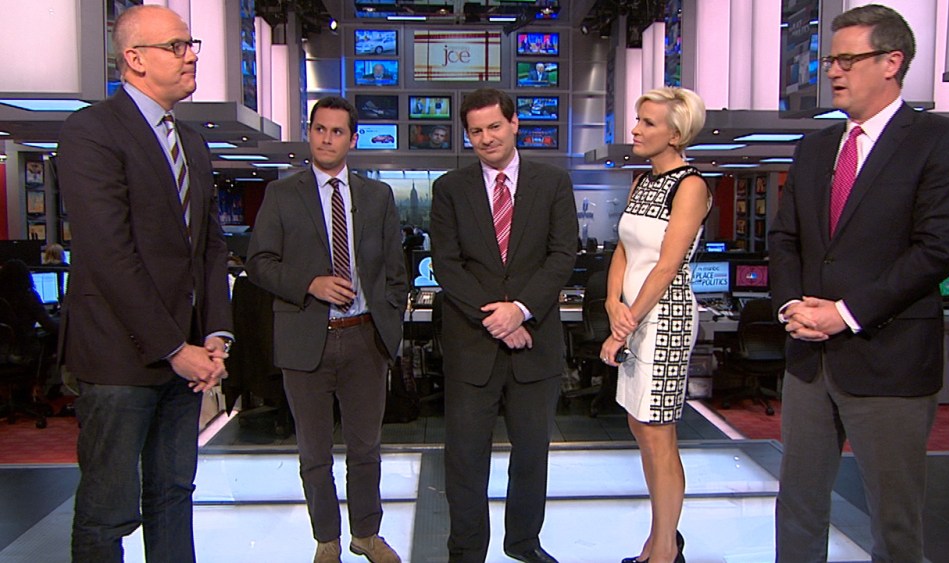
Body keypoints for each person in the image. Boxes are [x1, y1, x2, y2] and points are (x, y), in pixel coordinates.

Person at [768, 5, 949, 562]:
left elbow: (936, 249)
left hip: (889, 357)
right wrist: (791, 306)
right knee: (798, 507)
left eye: (847, 60)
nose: (833, 72)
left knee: (894, 520)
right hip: (809, 359)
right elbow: (785, 239)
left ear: (891, 62)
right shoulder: (815, 147)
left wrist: (844, 313)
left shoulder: (940, 141)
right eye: (829, 61)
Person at [56, 5, 233, 561]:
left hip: (186, 360)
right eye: (176, 46)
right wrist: (173, 347)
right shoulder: (91, 132)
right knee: (107, 510)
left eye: (191, 44)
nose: (191, 56)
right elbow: (110, 255)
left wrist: (215, 334)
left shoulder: (192, 143)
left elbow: (209, 247)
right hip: (120, 360)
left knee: (173, 495)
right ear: (134, 59)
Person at [246, 95, 407, 563]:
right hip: (305, 339)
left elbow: (395, 271)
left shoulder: (377, 197)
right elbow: (259, 262)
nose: (327, 139)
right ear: (309, 133)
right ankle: (327, 539)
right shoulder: (283, 195)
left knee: (366, 449)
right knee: (314, 452)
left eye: (337, 132)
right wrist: (310, 284)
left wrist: (388, 327)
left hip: (364, 338)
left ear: (352, 140)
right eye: (320, 129)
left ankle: (366, 534)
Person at [430, 88, 578, 563]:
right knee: (465, 460)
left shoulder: (552, 183)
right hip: (472, 344)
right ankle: (467, 551)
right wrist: (498, 317)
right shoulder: (449, 189)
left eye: (494, 126)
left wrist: (522, 309)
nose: (486, 138)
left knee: (532, 454)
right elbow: (447, 264)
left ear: (515, 124)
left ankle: (523, 544)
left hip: (535, 343)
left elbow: (563, 255)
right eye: (475, 131)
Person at [600, 87, 710, 563]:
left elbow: (666, 266)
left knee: (658, 432)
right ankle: (657, 540)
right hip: (632, 314)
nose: (636, 129)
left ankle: (665, 550)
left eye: (647, 122)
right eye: (638, 119)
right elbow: (624, 250)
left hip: (665, 319)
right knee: (641, 429)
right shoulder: (643, 181)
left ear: (676, 134)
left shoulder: (691, 186)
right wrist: (611, 302)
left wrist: (622, 327)